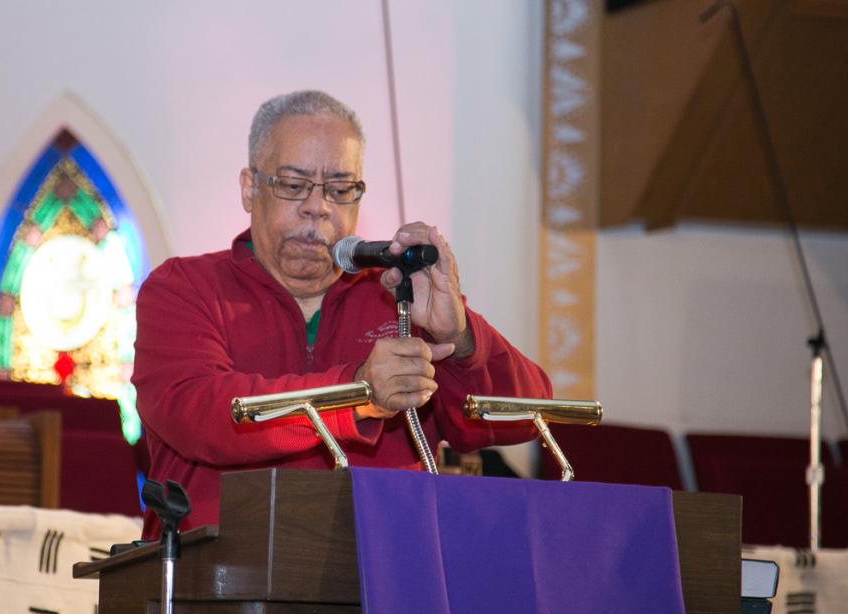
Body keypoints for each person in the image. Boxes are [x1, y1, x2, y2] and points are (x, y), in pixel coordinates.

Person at [132, 90, 551, 537]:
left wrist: (461, 338)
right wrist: (360, 393)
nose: (318, 207)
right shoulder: (184, 287)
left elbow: (529, 417)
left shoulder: (398, 296)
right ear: (250, 188)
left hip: (382, 566)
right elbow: (203, 414)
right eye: (293, 185)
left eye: (340, 189)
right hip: (218, 567)